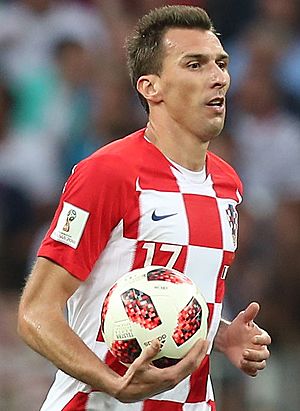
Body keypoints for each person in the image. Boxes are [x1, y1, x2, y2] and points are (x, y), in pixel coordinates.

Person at [17, 5, 271, 411]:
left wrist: (219, 336)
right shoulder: (107, 174)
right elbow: (36, 313)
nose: (218, 77)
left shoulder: (228, 185)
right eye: (195, 64)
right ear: (151, 87)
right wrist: (112, 383)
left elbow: (167, 304)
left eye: (221, 63)